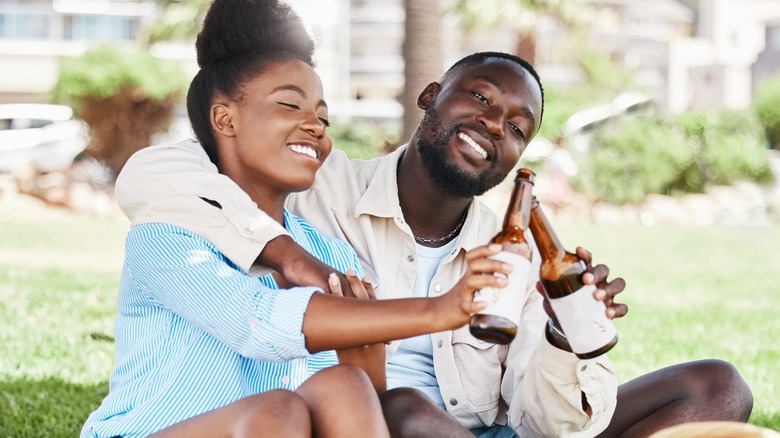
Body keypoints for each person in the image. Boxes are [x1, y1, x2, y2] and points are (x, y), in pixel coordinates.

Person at [114, 47, 753, 438]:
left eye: (516, 127)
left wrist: (564, 336)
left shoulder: (519, 250)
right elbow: (159, 171)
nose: (491, 124)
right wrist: (283, 253)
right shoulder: (320, 185)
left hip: (485, 431)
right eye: (478, 96)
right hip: (394, 424)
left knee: (715, 389)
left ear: (518, 155)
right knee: (405, 409)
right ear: (430, 97)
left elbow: (547, 425)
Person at [81, 1, 512, 437]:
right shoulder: (169, 234)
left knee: (346, 386)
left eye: (322, 117)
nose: (316, 127)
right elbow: (256, 321)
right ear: (224, 118)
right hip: (160, 430)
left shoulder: (330, 253)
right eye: (290, 105)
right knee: (278, 410)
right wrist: (438, 310)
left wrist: (365, 360)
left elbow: (359, 399)